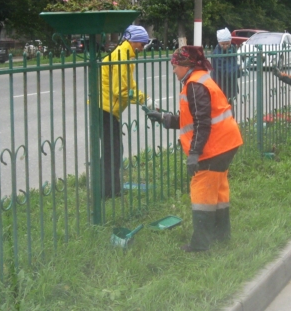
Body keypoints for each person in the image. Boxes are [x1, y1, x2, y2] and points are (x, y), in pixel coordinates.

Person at [146, 46, 243, 252]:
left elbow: (202, 122)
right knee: (217, 191)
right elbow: (192, 118)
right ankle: (221, 236)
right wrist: (165, 118)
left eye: (175, 66)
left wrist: (194, 154)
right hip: (226, 142)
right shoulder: (199, 79)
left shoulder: (194, 85)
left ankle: (201, 246)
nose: (174, 71)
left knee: (202, 193)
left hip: (215, 147)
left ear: (186, 65)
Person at [99, 24, 150, 198]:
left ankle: (112, 189)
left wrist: (143, 98)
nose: (143, 48)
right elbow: (120, 90)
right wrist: (142, 99)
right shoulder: (122, 55)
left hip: (107, 109)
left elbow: (129, 85)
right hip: (104, 109)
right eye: (141, 44)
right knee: (111, 152)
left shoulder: (126, 54)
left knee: (113, 151)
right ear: (132, 40)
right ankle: (108, 192)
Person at [210, 28, 241, 102]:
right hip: (220, 85)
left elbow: (234, 63)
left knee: (231, 106)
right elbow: (225, 72)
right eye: (223, 44)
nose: (225, 46)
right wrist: (238, 68)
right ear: (219, 42)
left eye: (227, 43)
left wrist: (238, 70)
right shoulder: (217, 54)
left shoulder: (232, 48)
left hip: (231, 84)